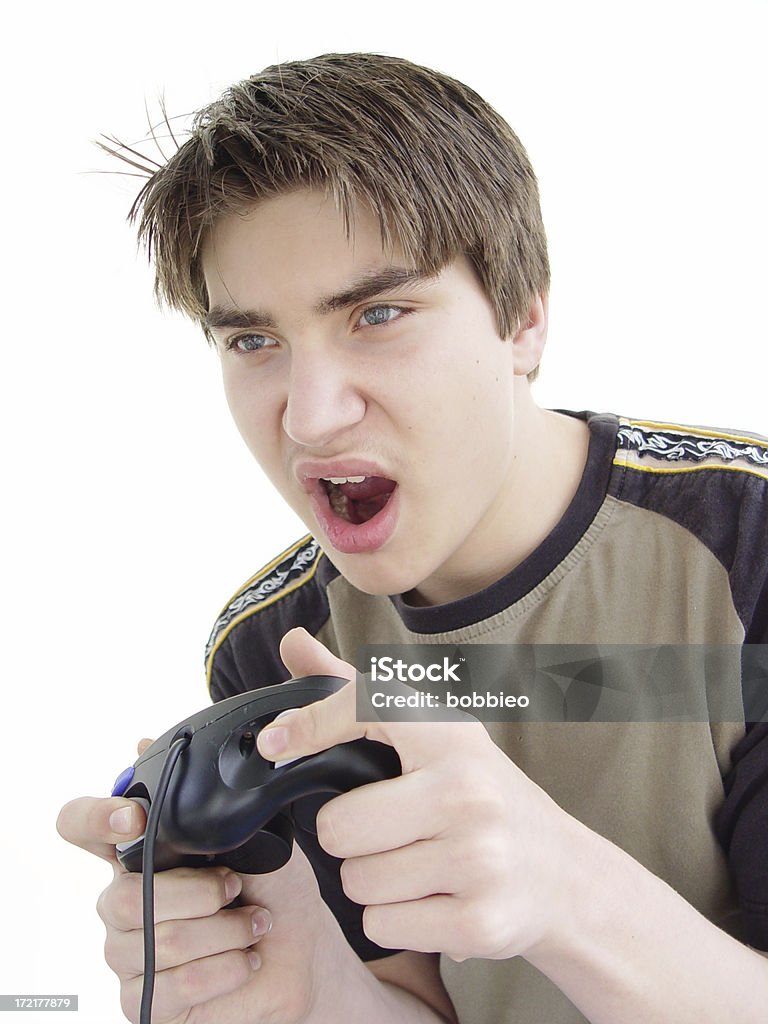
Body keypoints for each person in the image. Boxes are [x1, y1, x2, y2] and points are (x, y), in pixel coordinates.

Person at [56, 52, 768, 1024]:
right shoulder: (272, 643)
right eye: (253, 341)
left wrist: (566, 894)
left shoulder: (747, 543)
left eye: (378, 313)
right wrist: (307, 990)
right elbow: (417, 1005)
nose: (309, 416)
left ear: (522, 320)